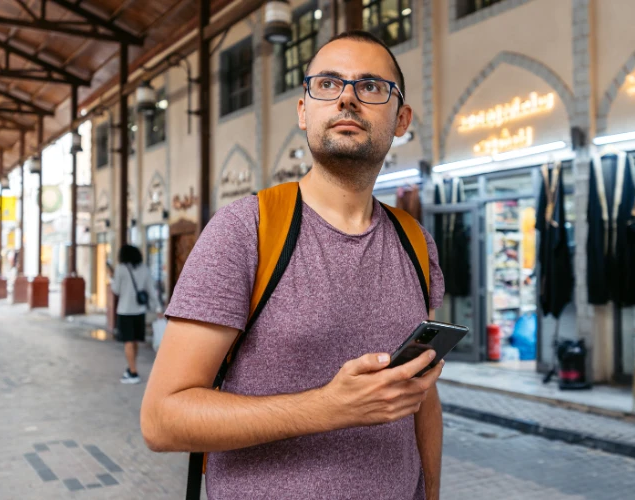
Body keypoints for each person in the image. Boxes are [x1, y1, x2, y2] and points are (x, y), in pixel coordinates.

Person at [140, 30, 446, 499]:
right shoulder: (245, 231)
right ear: (304, 111)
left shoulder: (415, 243)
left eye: (371, 86)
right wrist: (329, 407)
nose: (347, 98)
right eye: (327, 84)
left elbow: (420, 400)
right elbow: (162, 419)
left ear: (401, 118)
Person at [111, 244, 162, 384]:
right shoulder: (144, 269)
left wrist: (111, 280)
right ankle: (131, 367)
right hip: (139, 311)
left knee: (128, 341)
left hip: (125, 311)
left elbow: (116, 290)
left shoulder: (120, 269)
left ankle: (133, 373)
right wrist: (158, 308)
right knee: (134, 341)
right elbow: (151, 290)